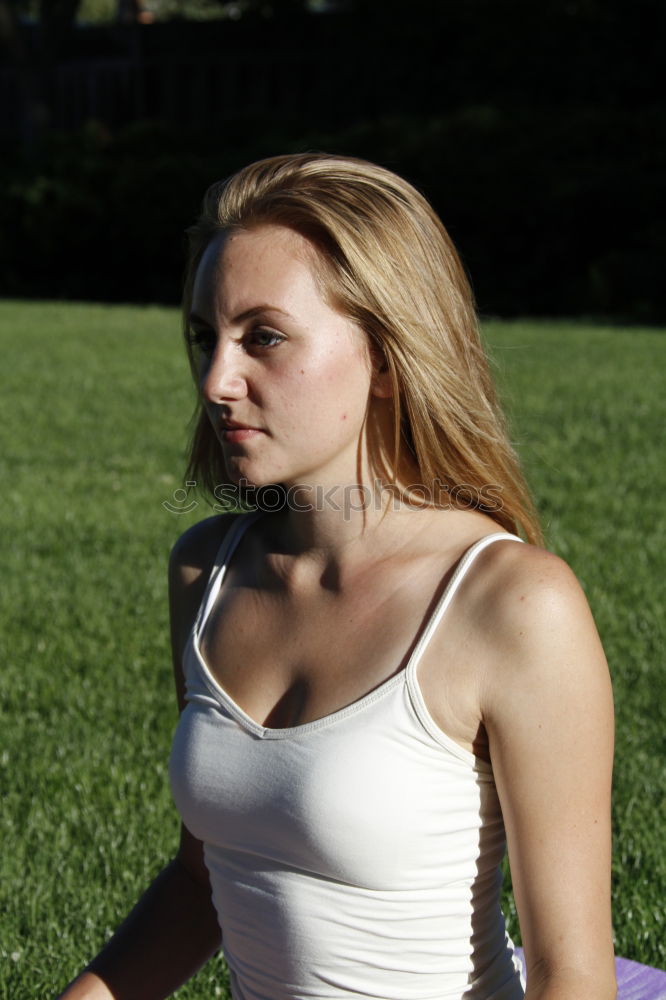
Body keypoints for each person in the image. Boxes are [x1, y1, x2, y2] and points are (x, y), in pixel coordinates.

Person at [58, 153, 616, 1000]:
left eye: (264, 337)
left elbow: (571, 973)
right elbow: (203, 884)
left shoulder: (512, 604)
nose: (216, 381)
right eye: (207, 337)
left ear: (388, 359)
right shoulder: (209, 570)